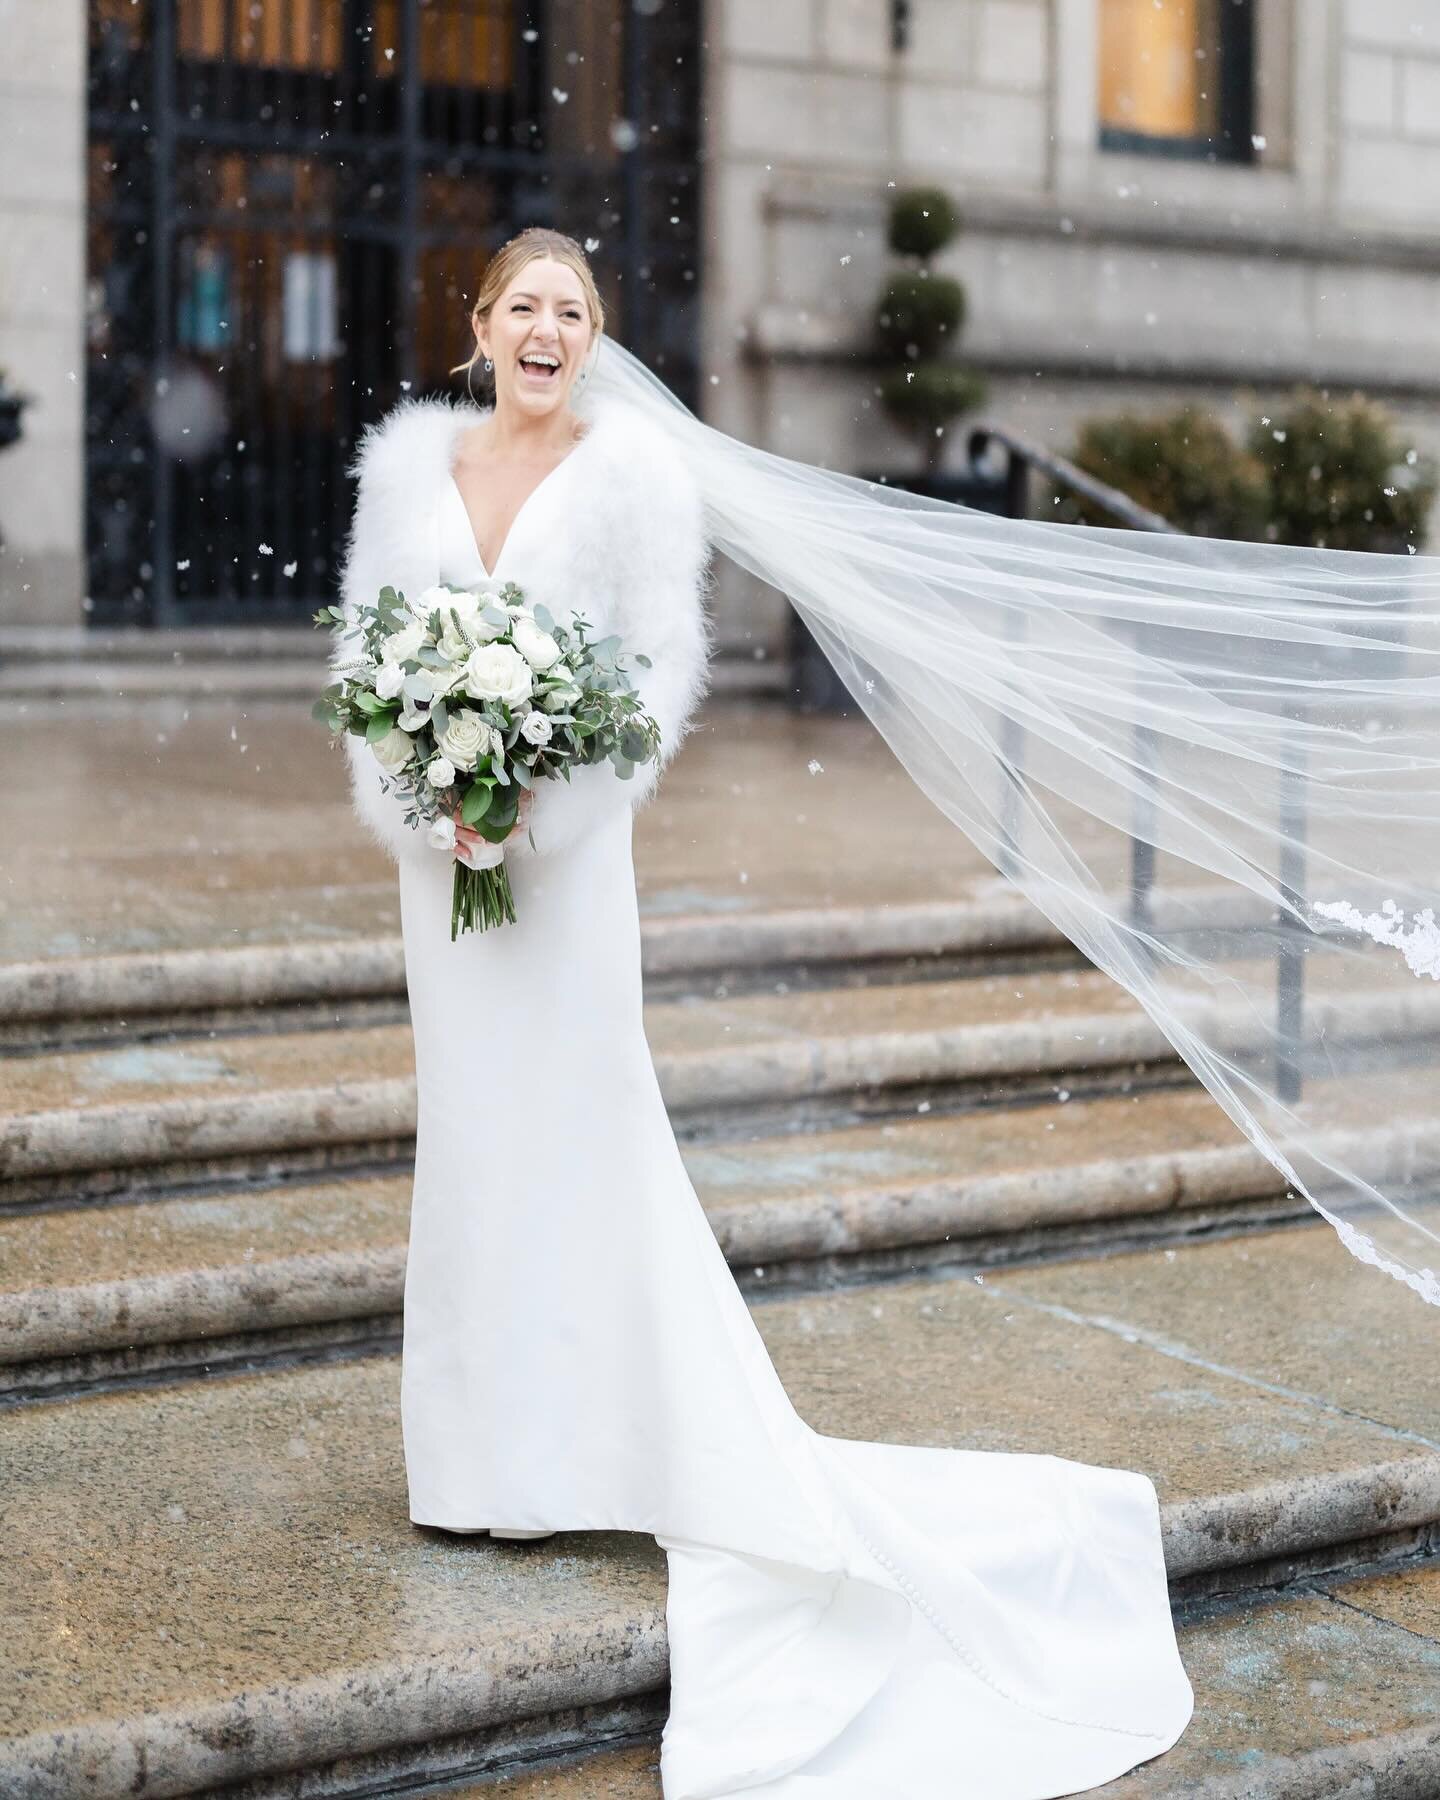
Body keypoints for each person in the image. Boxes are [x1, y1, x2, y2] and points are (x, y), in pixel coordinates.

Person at [335, 225, 1194, 1799]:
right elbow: (369, 659)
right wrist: (432, 799)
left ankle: (620, 1433)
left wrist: (533, 805)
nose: (545, 330)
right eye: (521, 306)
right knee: (470, 1141)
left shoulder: (636, 476)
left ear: (595, 338)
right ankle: (480, 1461)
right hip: (440, 873)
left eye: (571, 311)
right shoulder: (408, 471)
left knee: (583, 1133)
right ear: (476, 327)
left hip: (567, 870)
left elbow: (657, 677)